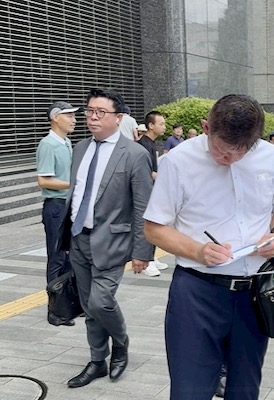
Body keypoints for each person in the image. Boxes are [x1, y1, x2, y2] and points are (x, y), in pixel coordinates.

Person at [143, 94, 274, 399]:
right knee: (190, 390)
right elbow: (154, 228)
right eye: (223, 152)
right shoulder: (178, 161)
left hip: (254, 292)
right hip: (198, 292)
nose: (231, 160)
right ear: (206, 126)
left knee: (245, 388)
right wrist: (198, 251)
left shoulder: (268, 156)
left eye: (241, 152)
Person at [59, 88, 154, 388]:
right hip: (78, 239)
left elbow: (142, 207)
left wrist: (143, 251)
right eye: (89, 111)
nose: (93, 117)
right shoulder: (80, 148)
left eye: (101, 112)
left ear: (119, 117)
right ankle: (98, 360)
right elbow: (75, 194)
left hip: (113, 242)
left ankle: (121, 342)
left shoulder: (135, 154)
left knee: (101, 302)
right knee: (89, 306)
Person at [37, 101, 79, 326]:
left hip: (66, 205)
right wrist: (74, 184)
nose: (74, 119)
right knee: (56, 257)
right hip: (55, 206)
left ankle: (68, 302)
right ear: (55, 118)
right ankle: (54, 310)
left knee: (69, 256)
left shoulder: (66, 142)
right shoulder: (48, 144)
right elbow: (43, 180)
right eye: (69, 115)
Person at [138, 111, 170, 277]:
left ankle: (151, 257)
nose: (164, 127)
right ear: (151, 125)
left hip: (152, 189)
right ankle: (147, 261)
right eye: (161, 124)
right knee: (148, 224)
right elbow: (148, 172)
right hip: (145, 191)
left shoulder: (151, 143)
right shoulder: (144, 144)